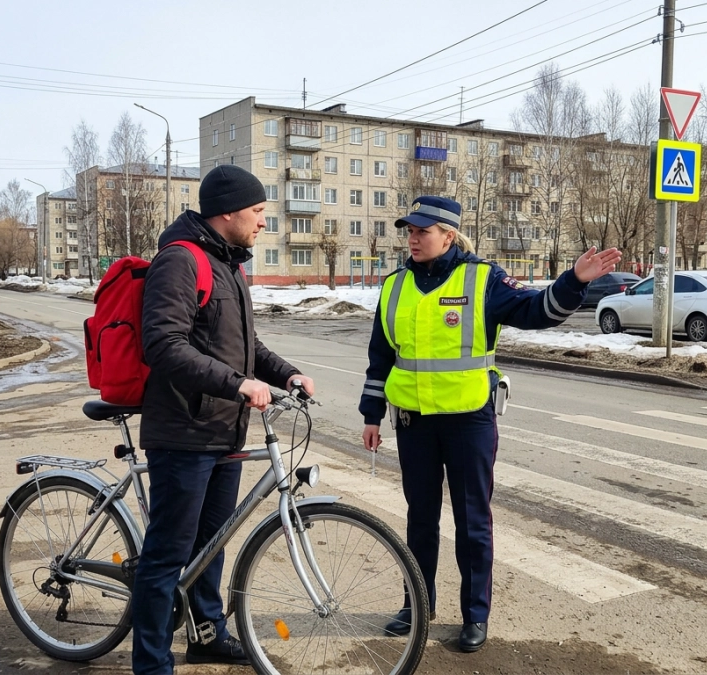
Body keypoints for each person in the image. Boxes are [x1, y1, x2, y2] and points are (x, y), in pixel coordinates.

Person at [359, 196, 621, 653]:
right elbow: (381, 353)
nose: (413, 238)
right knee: (419, 520)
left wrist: (574, 282)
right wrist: (371, 414)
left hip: (468, 422)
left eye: (423, 230)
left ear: (449, 235)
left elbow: (534, 311)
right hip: (413, 421)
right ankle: (417, 604)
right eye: (410, 230)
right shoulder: (396, 285)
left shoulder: (483, 278)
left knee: (471, 522)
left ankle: (475, 616)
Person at [133, 165, 315, 675]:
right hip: (184, 433)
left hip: (224, 433)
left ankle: (206, 634)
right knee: (168, 555)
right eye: (258, 211)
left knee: (210, 547)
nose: (263, 222)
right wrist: (236, 384)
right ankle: (150, 665)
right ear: (228, 210)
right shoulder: (180, 261)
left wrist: (287, 375)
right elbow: (163, 345)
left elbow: (245, 347)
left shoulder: (230, 265)